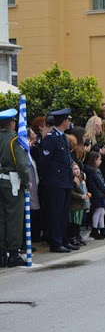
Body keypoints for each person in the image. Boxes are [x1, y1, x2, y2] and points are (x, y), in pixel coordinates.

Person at [40, 108, 77, 253]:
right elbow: (45, 162)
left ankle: (63, 240)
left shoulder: (62, 136)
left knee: (63, 212)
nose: (69, 122)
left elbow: (66, 159)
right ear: (63, 121)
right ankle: (56, 242)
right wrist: (49, 179)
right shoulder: (51, 138)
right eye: (68, 119)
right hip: (55, 181)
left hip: (65, 180)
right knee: (55, 213)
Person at [0, 108, 30, 267]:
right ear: (12, 123)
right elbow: (22, 166)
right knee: (14, 219)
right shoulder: (14, 141)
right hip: (12, 183)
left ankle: (1, 254)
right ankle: (13, 254)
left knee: (1, 218)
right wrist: (27, 182)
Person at [85, 150, 105, 240]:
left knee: (102, 212)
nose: (101, 161)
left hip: (99, 193)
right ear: (94, 160)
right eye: (99, 159)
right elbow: (100, 183)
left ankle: (102, 228)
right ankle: (95, 229)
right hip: (98, 193)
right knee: (98, 212)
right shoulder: (94, 171)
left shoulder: (94, 170)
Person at [70, 162, 89, 246]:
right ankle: (73, 237)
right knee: (74, 222)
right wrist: (80, 196)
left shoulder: (81, 179)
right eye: (74, 169)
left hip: (81, 204)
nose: (77, 171)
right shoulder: (72, 181)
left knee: (78, 222)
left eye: (78, 169)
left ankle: (78, 237)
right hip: (74, 205)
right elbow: (72, 193)